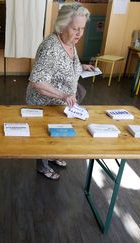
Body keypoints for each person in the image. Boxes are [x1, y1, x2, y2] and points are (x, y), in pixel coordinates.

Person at [26, 3, 95, 180]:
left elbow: (69, 63)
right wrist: (64, 95)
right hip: (44, 103)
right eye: (75, 28)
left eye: (82, 28)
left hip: (62, 103)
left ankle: (55, 155)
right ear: (62, 25)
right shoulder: (51, 48)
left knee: (59, 130)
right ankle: (42, 166)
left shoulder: (70, 41)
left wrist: (82, 67)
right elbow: (37, 81)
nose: (79, 33)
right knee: (44, 135)